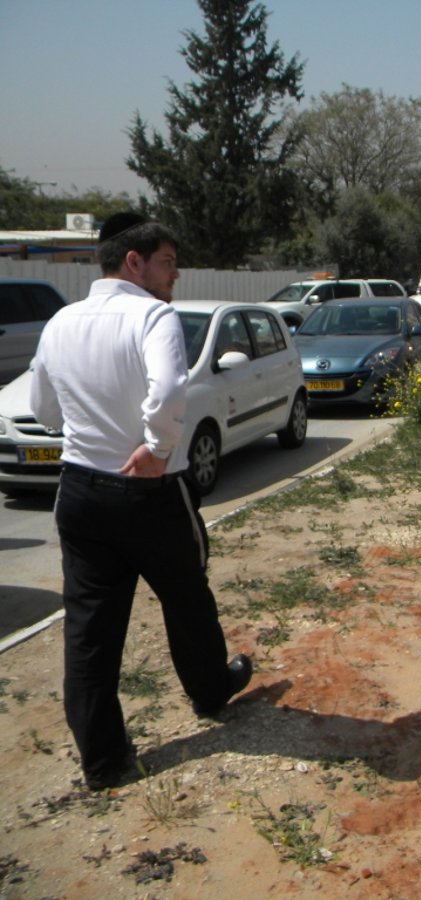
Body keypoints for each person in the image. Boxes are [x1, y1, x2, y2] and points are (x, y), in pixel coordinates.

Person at [30, 213, 253, 791]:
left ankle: (104, 763)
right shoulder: (153, 315)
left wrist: (92, 428)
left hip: (81, 491)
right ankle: (211, 691)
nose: (174, 275)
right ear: (134, 262)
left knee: (89, 630)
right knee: (187, 598)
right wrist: (155, 446)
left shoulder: (61, 322)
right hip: (150, 491)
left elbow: (46, 409)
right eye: (168, 262)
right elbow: (170, 388)